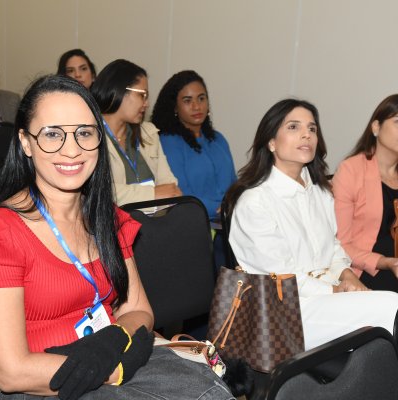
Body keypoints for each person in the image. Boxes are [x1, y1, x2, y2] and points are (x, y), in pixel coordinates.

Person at [0, 74, 234, 400]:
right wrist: (102, 368)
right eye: (52, 134)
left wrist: (111, 342)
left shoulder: (106, 218)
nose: (72, 150)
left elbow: (138, 309)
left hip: (115, 357)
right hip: (43, 382)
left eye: (84, 133)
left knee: (209, 391)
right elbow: (11, 372)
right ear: (25, 142)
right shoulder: (5, 232)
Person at [226, 98, 398, 352]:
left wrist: (348, 276)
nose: (306, 134)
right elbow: (281, 280)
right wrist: (337, 290)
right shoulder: (255, 202)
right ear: (271, 142)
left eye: (312, 128)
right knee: (391, 307)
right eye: (293, 127)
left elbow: (334, 248)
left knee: (386, 311)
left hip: (323, 299)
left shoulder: (319, 191)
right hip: (283, 313)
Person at [91, 59, 181, 206]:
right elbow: (98, 192)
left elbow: (171, 189)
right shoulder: (89, 137)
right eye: (142, 95)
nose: (147, 103)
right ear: (118, 90)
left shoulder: (148, 133)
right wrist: (152, 194)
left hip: (154, 223)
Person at [333, 94, 398, 292]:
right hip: (365, 271)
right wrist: (386, 262)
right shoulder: (351, 170)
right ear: (376, 127)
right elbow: (339, 244)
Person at [151, 70, 236, 221]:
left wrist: (236, 205)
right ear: (175, 107)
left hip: (229, 222)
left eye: (201, 98)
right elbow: (181, 193)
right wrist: (221, 210)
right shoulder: (168, 142)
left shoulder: (218, 139)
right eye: (187, 100)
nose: (196, 106)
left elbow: (234, 185)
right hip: (194, 224)